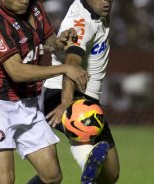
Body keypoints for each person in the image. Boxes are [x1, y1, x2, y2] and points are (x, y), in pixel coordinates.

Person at [0, 0, 89, 184]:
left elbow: (48, 42)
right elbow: (17, 72)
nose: (24, 0)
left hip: (28, 103)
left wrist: (59, 42)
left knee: (51, 177)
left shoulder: (36, 6)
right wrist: (64, 68)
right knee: (4, 180)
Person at [43, 0, 120, 183]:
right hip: (62, 92)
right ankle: (88, 163)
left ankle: (90, 168)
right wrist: (65, 102)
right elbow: (71, 64)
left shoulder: (98, 11)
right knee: (82, 129)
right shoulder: (81, 22)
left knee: (111, 173)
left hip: (85, 97)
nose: (107, 1)